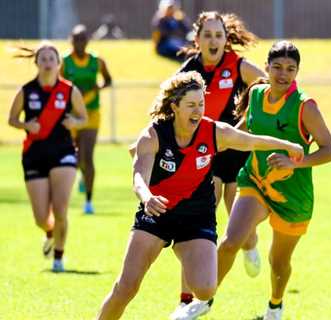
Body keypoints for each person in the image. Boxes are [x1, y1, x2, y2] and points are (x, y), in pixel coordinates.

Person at [96, 71, 304, 320]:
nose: (198, 111)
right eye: (191, 105)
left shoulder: (214, 132)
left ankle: (182, 247)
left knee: (205, 289)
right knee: (126, 287)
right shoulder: (153, 135)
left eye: (201, 104)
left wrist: (287, 146)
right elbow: (138, 176)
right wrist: (147, 197)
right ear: (174, 107)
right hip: (157, 212)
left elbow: (252, 141)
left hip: (196, 217)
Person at [178, 41, 331, 320]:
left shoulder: (304, 107)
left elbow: (330, 151)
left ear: (297, 71)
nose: (283, 74)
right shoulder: (256, 95)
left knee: (279, 261)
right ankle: (204, 300)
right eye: (277, 67)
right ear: (266, 67)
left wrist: (295, 162)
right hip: (255, 182)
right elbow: (242, 132)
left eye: (290, 68)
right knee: (230, 241)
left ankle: (275, 306)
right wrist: (210, 147)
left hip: (293, 195)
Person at [169, 11, 267, 314]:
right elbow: (166, 105)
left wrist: (247, 117)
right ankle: (186, 300)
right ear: (197, 40)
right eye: (207, 35)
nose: (213, 40)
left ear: (226, 40)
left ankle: (250, 244)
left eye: (218, 35)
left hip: (234, 148)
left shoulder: (236, 66)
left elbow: (267, 85)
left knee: (236, 215)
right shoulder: (189, 71)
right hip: (203, 154)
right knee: (197, 225)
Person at [7, 42, 88, 272]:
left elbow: (83, 117)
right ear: (36, 63)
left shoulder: (69, 90)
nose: (47, 62)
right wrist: (25, 125)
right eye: (43, 58)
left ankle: (59, 258)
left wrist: (75, 122)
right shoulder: (26, 90)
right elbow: (11, 119)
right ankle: (49, 232)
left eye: (51, 58)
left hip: (63, 153)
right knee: (41, 217)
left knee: (60, 209)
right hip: (34, 155)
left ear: (58, 63)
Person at [61, 24, 113, 214]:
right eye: (76, 39)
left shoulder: (96, 61)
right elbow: (58, 86)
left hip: (91, 114)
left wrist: (94, 89)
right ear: (71, 41)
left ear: (88, 41)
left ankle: (89, 202)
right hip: (72, 115)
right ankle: (80, 178)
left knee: (87, 157)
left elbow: (108, 80)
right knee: (75, 157)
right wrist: (72, 93)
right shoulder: (65, 62)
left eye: (83, 39)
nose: (80, 43)